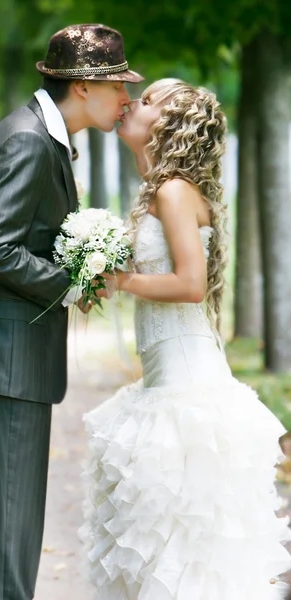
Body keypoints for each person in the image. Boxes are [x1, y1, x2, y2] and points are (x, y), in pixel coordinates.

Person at [0, 23, 143, 600]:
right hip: (5, 364)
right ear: (82, 87)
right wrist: (70, 283)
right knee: (8, 539)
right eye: (117, 85)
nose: (126, 98)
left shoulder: (36, 135)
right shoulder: (28, 140)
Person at [81, 78, 291, 599]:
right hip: (161, 384)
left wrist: (120, 280)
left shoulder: (174, 192)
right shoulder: (156, 190)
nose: (133, 101)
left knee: (186, 548)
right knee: (163, 546)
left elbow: (191, 285)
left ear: (171, 126)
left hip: (188, 392)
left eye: (150, 100)